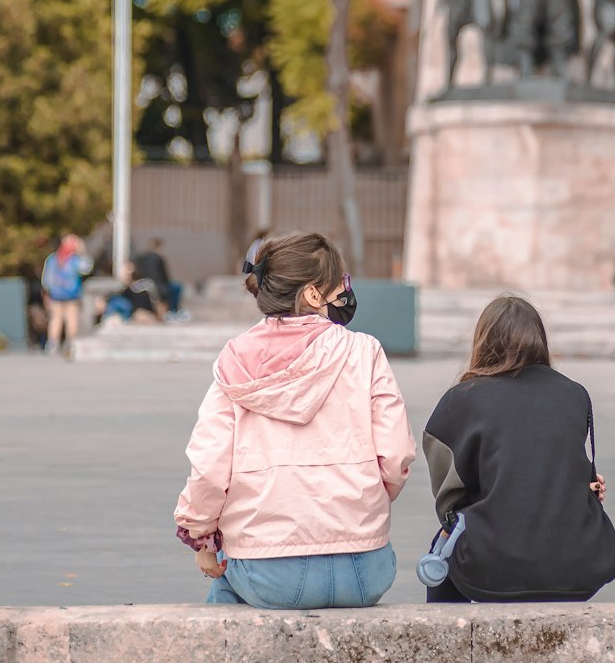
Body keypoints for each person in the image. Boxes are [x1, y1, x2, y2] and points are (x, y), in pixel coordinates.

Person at [175, 231, 415, 610]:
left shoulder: (235, 362)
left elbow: (209, 467)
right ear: (313, 295)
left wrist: (202, 537)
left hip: (268, 571)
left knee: (225, 594)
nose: (346, 291)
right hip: (365, 568)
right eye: (341, 283)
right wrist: (361, 500)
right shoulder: (365, 352)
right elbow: (397, 456)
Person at [422, 295, 615, 603]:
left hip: (492, 568)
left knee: (443, 546)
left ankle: (448, 638)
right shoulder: (574, 394)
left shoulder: (461, 400)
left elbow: (448, 498)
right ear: (539, 341)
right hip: (576, 566)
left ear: (483, 341)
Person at [40, 234, 93, 357]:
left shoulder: (53, 259)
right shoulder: (75, 260)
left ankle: (53, 344)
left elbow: (46, 279)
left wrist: (47, 293)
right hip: (72, 294)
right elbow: (87, 268)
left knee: (55, 319)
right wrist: (82, 251)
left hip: (55, 294)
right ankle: (71, 344)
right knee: (71, 319)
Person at [133, 238, 186, 320]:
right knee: (176, 286)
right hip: (160, 286)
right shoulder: (158, 258)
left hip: (146, 284)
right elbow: (165, 276)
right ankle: (173, 310)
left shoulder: (140, 258)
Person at [99, 261, 165, 325]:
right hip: (130, 317)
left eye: (126, 270)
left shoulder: (145, 285)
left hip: (146, 315)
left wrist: (158, 317)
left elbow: (157, 303)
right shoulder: (121, 290)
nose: (124, 273)